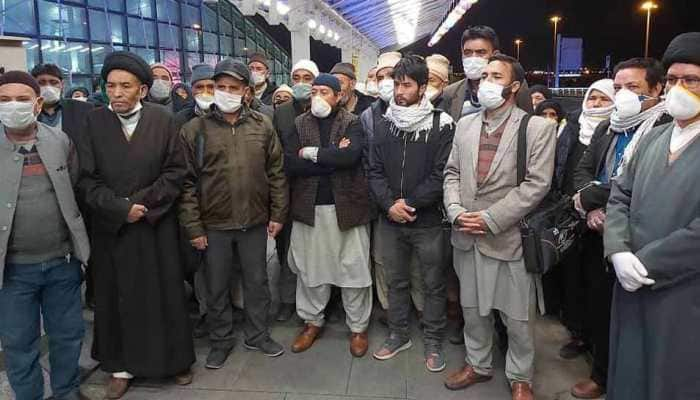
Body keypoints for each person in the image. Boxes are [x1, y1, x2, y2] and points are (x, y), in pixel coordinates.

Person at [77, 51, 195, 398]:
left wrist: (143, 205)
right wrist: (119, 209)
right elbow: (85, 178)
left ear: (142, 89)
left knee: (165, 296)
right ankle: (121, 368)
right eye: (111, 86)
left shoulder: (164, 120)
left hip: (154, 226)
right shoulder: (93, 122)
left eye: (125, 86)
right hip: (112, 230)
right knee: (117, 300)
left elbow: (176, 172)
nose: (117, 93)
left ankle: (173, 362)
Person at [443, 54, 556, 400]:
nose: (485, 81)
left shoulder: (536, 128)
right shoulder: (465, 125)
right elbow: (452, 173)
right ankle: (478, 364)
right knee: (473, 308)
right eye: (484, 75)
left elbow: (537, 184)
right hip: (465, 233)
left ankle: (520, 376)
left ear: (514, 86)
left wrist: (491, 219)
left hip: (508, 237)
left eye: (496, 75)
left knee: (517, 316)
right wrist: (456, 211)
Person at [604, 31, 700, 400]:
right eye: (673, 80)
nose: (679, 88)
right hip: (630, 282)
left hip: (681, 292)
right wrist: (617, 250)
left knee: (673, 376)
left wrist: (645, 264)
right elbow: (620, 194)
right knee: (629, 369)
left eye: (690, 80)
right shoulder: (655, 138)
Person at [179, 58, 289, 368]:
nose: (225, 92)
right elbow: (186, 183)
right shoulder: (194, 129)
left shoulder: (262, 125)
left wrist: (278, 214)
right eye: (220, 87)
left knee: (257, 282)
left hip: (254, 221)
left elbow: (277, 173)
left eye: (233, 88)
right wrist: (194, 227)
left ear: (246, 92)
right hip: (213, 224)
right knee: (216, 285)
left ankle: (258, 334)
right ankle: (221, 340)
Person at [570, 57, 669, 399]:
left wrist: (596, 200)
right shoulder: (608, 127)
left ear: (657, 90)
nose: (623, 95)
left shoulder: (663, 128)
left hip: (637, 236)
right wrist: (591, 207)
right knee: (600, 305)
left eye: (633, 88)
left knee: (636, 315)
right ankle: (602, 374)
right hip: (597, 231)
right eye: (618, 88)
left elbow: (630, 183)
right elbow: (582, 173)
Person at [0, 71, 90, 400]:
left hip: (61, 262)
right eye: (4, 100)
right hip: (12, 270)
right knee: (19, 342)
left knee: (67, 336)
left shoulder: (59, 141)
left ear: (37, 103)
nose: (13, 106)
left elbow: (74, 190)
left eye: (21, 99)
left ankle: (66, 392)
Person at [368, 55, 456, 372]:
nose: (399, 91)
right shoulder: (383, 123)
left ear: (422, 87)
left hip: (428, 221)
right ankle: (398, 334)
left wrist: (410, 204)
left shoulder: (441, 125)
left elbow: (441, 174)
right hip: (390, 220)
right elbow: (374, 171)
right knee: (396, 282)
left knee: (433, 283)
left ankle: (433, 341)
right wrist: (390, 204)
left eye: (406, 85)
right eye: (396, 84)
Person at [282, 73, 373, 357]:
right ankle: (312, 322)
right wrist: (331, 156)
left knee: (353, 269)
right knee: (311, 270)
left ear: (338, 96)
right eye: (314, 92)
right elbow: (290, 164)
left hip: (348, 208)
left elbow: (351, 157)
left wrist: (310, 153)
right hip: (309, 208)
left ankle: (357, 328)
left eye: (325, 92)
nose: (318, 97)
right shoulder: (298, 124)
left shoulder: (352, 122)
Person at [360, 51, 425, 326]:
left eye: (394, 77)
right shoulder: (369, 116)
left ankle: (421, 309)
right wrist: (387, 202)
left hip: (417, 205)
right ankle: (389, 308)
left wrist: (409, 201)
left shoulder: (431, 116)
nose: (389, 84)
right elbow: (369, 165)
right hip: (382, 205)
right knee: (383, 260)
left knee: (417, 264)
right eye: (382, 77)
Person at [552, 79, 615, 362]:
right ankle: (577, 334)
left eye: (604, 99)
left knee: (596, 284)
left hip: (600, 220)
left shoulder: (613, 133)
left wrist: (591, 205)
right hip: (569, 214)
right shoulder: (572, 129)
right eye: (593, 99)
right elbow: (567, 169)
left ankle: (597, 344)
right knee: (572, 278)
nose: (597, 104)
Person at [271, 59, 320, 322]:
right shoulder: (282, 111)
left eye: (308, 78)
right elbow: (280, 155)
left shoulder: (323, 107)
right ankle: (287, 300)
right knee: (287, 249)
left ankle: (323, 301)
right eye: (297, 77)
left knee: (317, 249)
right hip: (288, 188)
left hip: (317, 191)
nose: (302, 83)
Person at [443, 26, 533, 122]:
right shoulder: (451, 92)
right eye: (467, 52)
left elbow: (527, 122)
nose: (473, 58)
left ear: (495, 54)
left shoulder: (514, 86)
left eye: (481, 52)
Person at [30, 64, 95, 143]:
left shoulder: (83, 109)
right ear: (33, 86)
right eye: (41, 83)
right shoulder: (28, 111)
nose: (48, 87)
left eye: (53, 82)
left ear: (62, 85)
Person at [175, 63, 215, 129]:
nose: (205, 91)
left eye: (210, 87)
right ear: (192, 90)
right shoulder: (181, 119)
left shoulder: (229, 116)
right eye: (199, 87)